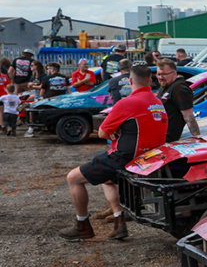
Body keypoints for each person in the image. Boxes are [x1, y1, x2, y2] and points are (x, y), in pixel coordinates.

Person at [59, 65, 167, 241]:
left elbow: (102, 133)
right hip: (150, 158)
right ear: (150, 80)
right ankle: (119, 221)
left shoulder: (127, 103)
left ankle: (82, 225)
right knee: (107, 180)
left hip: (124, 158)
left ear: (130, 81)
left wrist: (115, 131)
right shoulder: (157, 102)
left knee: (73, 178)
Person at [156, 59, 199, 142]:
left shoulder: (179, 88)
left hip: (168, 140)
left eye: (164, 74)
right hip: (159, 136)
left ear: (174, 73)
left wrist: (198, 138)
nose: (161, 77)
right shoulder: (164, 86)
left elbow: (189, 117)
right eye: (159, 74)